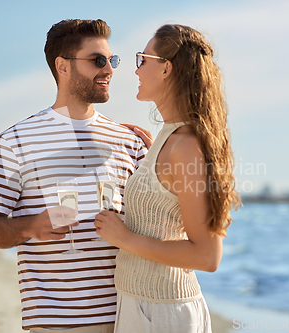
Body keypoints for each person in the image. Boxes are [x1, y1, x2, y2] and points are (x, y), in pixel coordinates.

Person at [0, 19, 149, 332]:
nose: (108, 70)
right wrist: (31, 226)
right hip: (56, 323)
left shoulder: (130, 141)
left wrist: (162, 157)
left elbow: (158, 222)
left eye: (112, 60)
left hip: (130, 316)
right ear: (63, 66)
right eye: (97, 60)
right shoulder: (15, 141)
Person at [94, 24, 241, 333]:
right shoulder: (169, 139)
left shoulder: (185, 145)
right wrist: (151, 159)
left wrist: (125, 239)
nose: (136, 71)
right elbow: (166, 200)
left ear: (166, 68)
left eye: (142, 60)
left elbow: (207, 255)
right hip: (143, 306)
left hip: (162, 314)